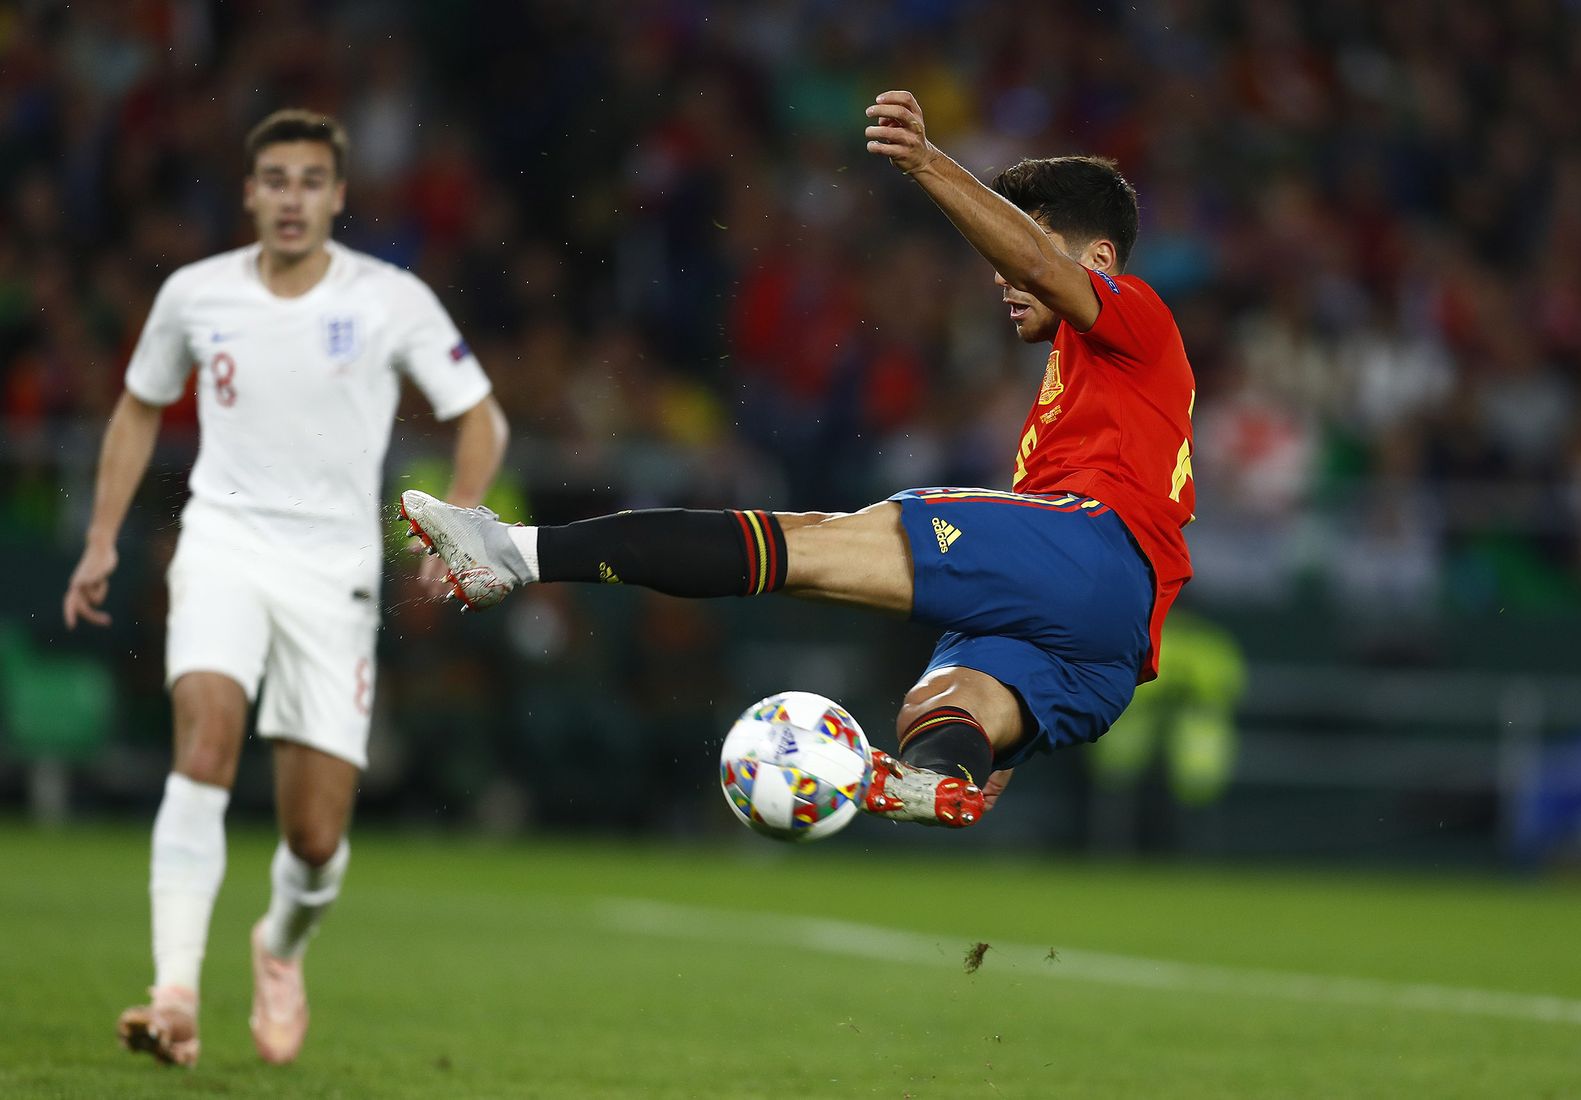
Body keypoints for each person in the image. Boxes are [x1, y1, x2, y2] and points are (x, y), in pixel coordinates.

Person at [400, 88, 1194, 831]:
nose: (1002, 272)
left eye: (1029, 236)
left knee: (808, 544)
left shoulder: (1140, 318)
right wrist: (996, 741)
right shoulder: (1088, 389)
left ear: (1096, 260)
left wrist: (925, 162)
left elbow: (1037, 266)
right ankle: (936, 776)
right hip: (1111, 643)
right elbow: (1035, 270)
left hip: (1099, 551)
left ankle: (515, 552)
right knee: (940, 703)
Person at [62, 109, 508, 1068]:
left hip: (333, 573)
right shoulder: (196, 294)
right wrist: (102, 538)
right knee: (206, 747)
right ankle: (173, 993)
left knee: (313, 837)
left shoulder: (391, 299)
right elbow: (138, 407)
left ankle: (280, 944)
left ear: (339, 196)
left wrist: (458, 521)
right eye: (275, 179)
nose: (292, 197)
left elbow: (482, 421)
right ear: (250, 193)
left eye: (311, 181)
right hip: (222, 543)